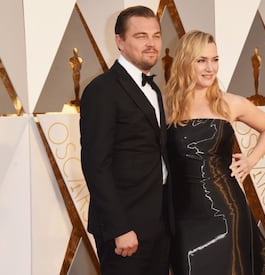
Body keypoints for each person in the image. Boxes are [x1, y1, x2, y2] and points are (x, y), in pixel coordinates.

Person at [164, 30, 265, 275]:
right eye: (202, 60)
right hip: (183, 216)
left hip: (227, 212)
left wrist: (251, 160)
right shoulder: (166, 104)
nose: (210, 68)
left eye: (215, 59)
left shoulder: (230, 103)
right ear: (186, 62)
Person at [80, 6, 172, 275]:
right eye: (141, 36)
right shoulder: (102, 90)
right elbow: (96, 165)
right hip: (124, 230)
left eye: (156, 35)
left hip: (159, 224)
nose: (152, 44)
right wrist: (120, 228)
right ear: (119, 41)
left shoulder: (154, 89)